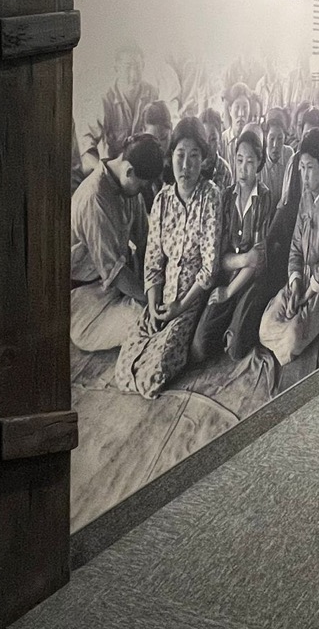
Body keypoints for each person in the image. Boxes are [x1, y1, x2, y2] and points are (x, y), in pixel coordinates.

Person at [114, 118, 220, 398]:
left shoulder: (210, 196)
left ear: (203, 160)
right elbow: (153, 261)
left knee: (152, 376)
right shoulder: (162, 200)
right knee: (123, 369)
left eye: (194, 156)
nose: (186, 165)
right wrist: (152, 305)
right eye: (180, 155)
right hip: (161, 297)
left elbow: (209, 269)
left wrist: (179, 306)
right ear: (170, 157)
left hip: (190, 299)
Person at [70, 134, 165, 352]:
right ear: (129, 171)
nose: (143, 190)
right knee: (149, 320)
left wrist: (155, 286)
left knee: (165, 301)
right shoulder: (94, 198)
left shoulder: (129, 187)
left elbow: (145, 241)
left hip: (116, 285)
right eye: (142, 185)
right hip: (86, 298)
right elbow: (115, 273)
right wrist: (151, 299)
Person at [190, 129, 278, 363]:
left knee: (235, 349)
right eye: (239, 160)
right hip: (227, 274)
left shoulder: (264, 198)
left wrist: (229, 292)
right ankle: (230, 320)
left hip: (251, 280)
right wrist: (243, 259)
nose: (243, 168)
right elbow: (218, 256)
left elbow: (257, 260)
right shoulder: (226, 197)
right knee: (199, 347)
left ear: (259, 163)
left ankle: (239, 320)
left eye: (250, 161)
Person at [259, 128, 319, 366]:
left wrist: (305, 295)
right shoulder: (305, 196)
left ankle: (291, 337)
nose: (305, 176)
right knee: (265, 326)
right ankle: (285, 335)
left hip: (318, 285)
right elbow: (295, 244)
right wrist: (294, 284)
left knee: (293, 337)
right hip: (300, 278)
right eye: (301, 168)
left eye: (310, 168)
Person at [81, 44, 157, 174]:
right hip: (113, 172)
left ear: (143, 66)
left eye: (137, 67)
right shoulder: (104, 100)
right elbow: (86, 148)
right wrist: (103, 171)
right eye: (128, 68)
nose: (133, 75)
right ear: (116, 68)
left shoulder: (152, 94)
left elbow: (160, 136)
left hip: (142, 172)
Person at [260, 107, 294, 201]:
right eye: (271, 139)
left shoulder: (289, 154)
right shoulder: (259, 158)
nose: (275, 145)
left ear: (285, 138)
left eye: (280, 139)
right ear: (266, 137)